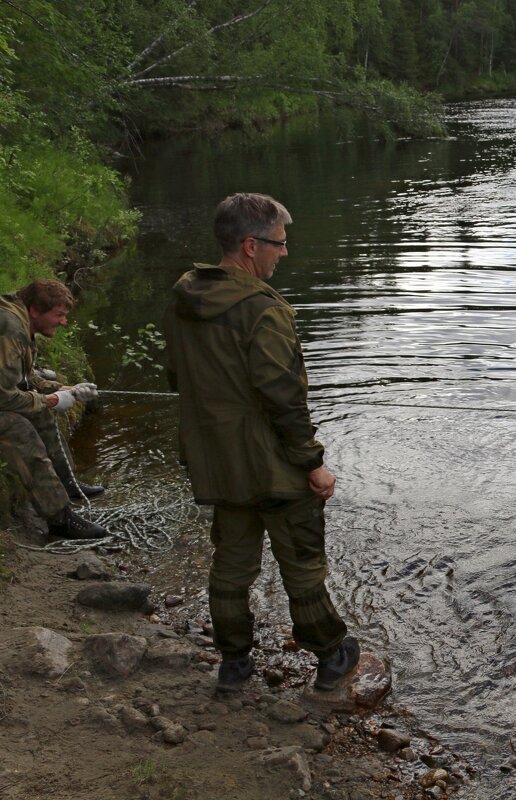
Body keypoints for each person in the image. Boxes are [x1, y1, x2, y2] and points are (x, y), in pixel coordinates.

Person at [162, 193, 358, 693]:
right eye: (278, 244)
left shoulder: (185, 298)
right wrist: (312, 465)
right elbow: (283, 398)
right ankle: (331, 655)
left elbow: (174, 376)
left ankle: (234, 664)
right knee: (302, 562)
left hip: (218, 466)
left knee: (231, 564)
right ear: (251, 246)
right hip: (273, 467)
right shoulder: (264, 310)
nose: (284, 253)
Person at [0, 279, 107, 539]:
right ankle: (59, 518)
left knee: (39, 411)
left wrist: (67, 389)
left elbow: (25, 380)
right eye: (59, 315)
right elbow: (3, 396)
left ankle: (65, 482)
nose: (63, 322)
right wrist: (52, 401)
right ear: (35, 310)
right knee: (20, 429)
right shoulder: (10, 328)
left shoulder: (18, 317)